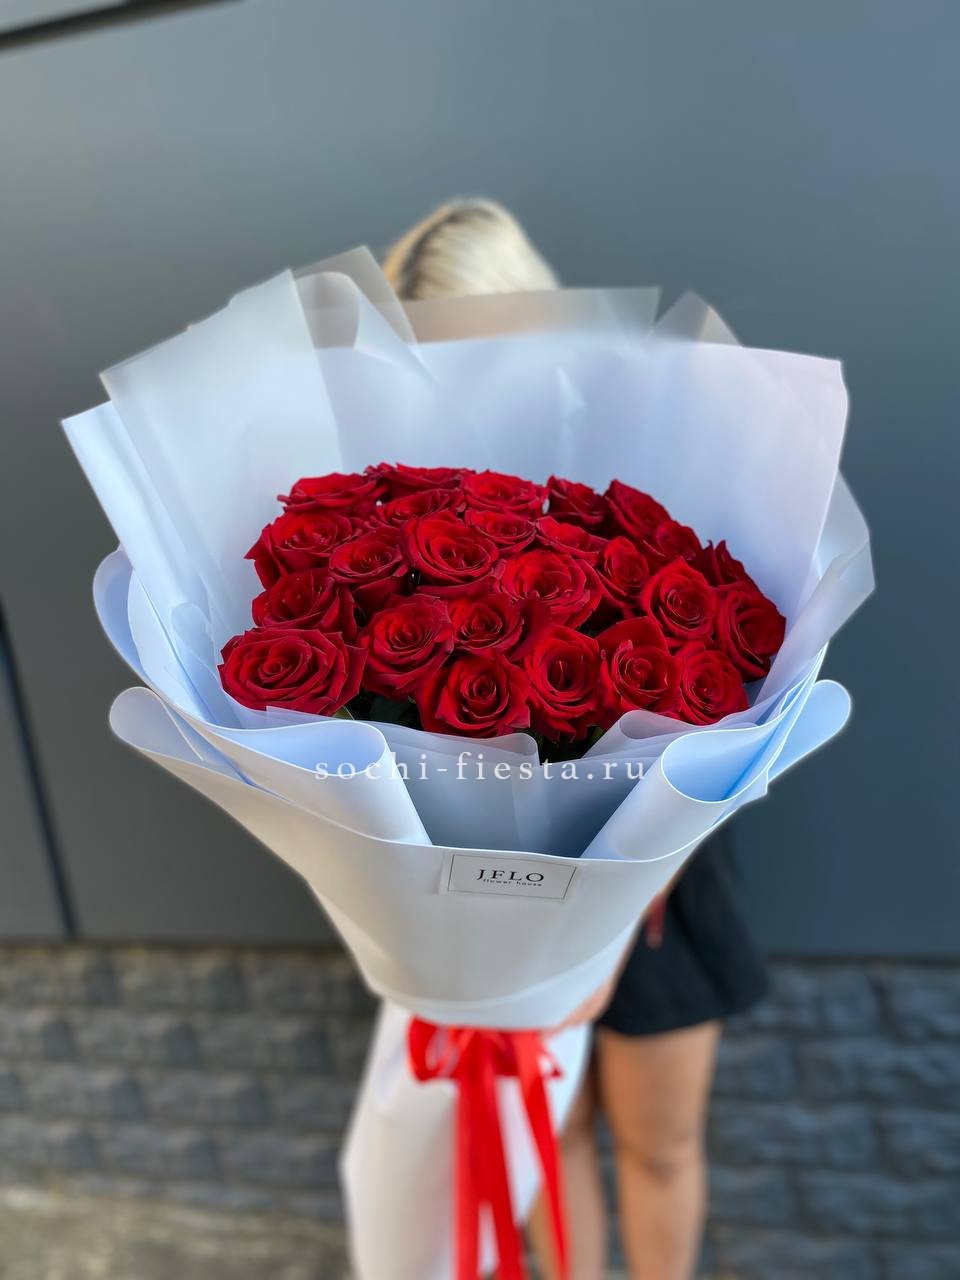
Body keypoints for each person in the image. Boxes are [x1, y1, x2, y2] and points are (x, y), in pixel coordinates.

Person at [382, 200, 769, 1280]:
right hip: (510, 875)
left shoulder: (634, 455)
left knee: (659, 1140)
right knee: (552, 1138)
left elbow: (732, 694)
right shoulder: (407, 493)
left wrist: (628, 889)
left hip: (660, 868)